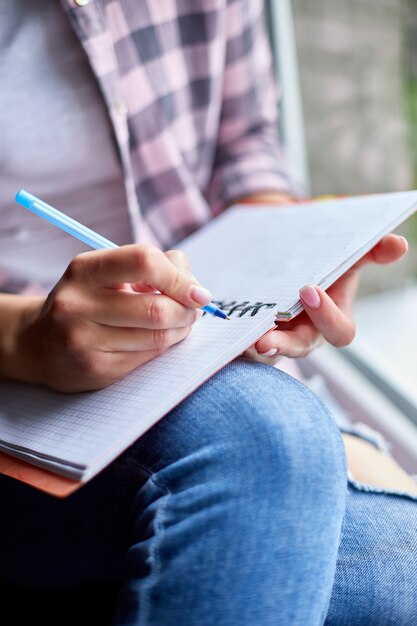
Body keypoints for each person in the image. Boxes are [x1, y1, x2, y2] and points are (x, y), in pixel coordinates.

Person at [0, 1, 415, 624]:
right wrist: (23, 337)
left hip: (200, 364)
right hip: (24, 401)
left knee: (395, 574)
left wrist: (299, 254)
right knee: (269, 436)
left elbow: (244, 141)